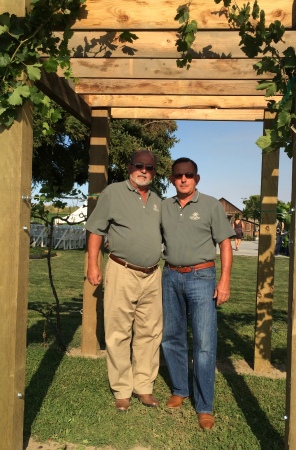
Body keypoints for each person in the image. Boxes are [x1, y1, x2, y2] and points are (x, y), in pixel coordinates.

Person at [161, 157, 235, 430]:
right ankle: (180, 390)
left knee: (204, 343)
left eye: (188, 174)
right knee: (171, 336)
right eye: (178, 175)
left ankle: (204, 406)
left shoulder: (211, 205)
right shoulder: (164, 207)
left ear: (197, 178)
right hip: (169, 276)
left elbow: (225, 244)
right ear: (171, 179)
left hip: (202, 278)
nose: (183, 179)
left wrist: (224, 281)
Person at [85, 150, 162, 412]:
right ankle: (121, 389)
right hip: (122, 270)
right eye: (139, 165)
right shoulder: (113, 193)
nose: (144, 170)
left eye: (149, 167)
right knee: (118, 331)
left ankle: (144, 386)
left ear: (154, 171)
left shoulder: (157, 200)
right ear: (129, 167)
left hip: (153, 274)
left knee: (149, 332)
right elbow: (96, 229)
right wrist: (93, 264)